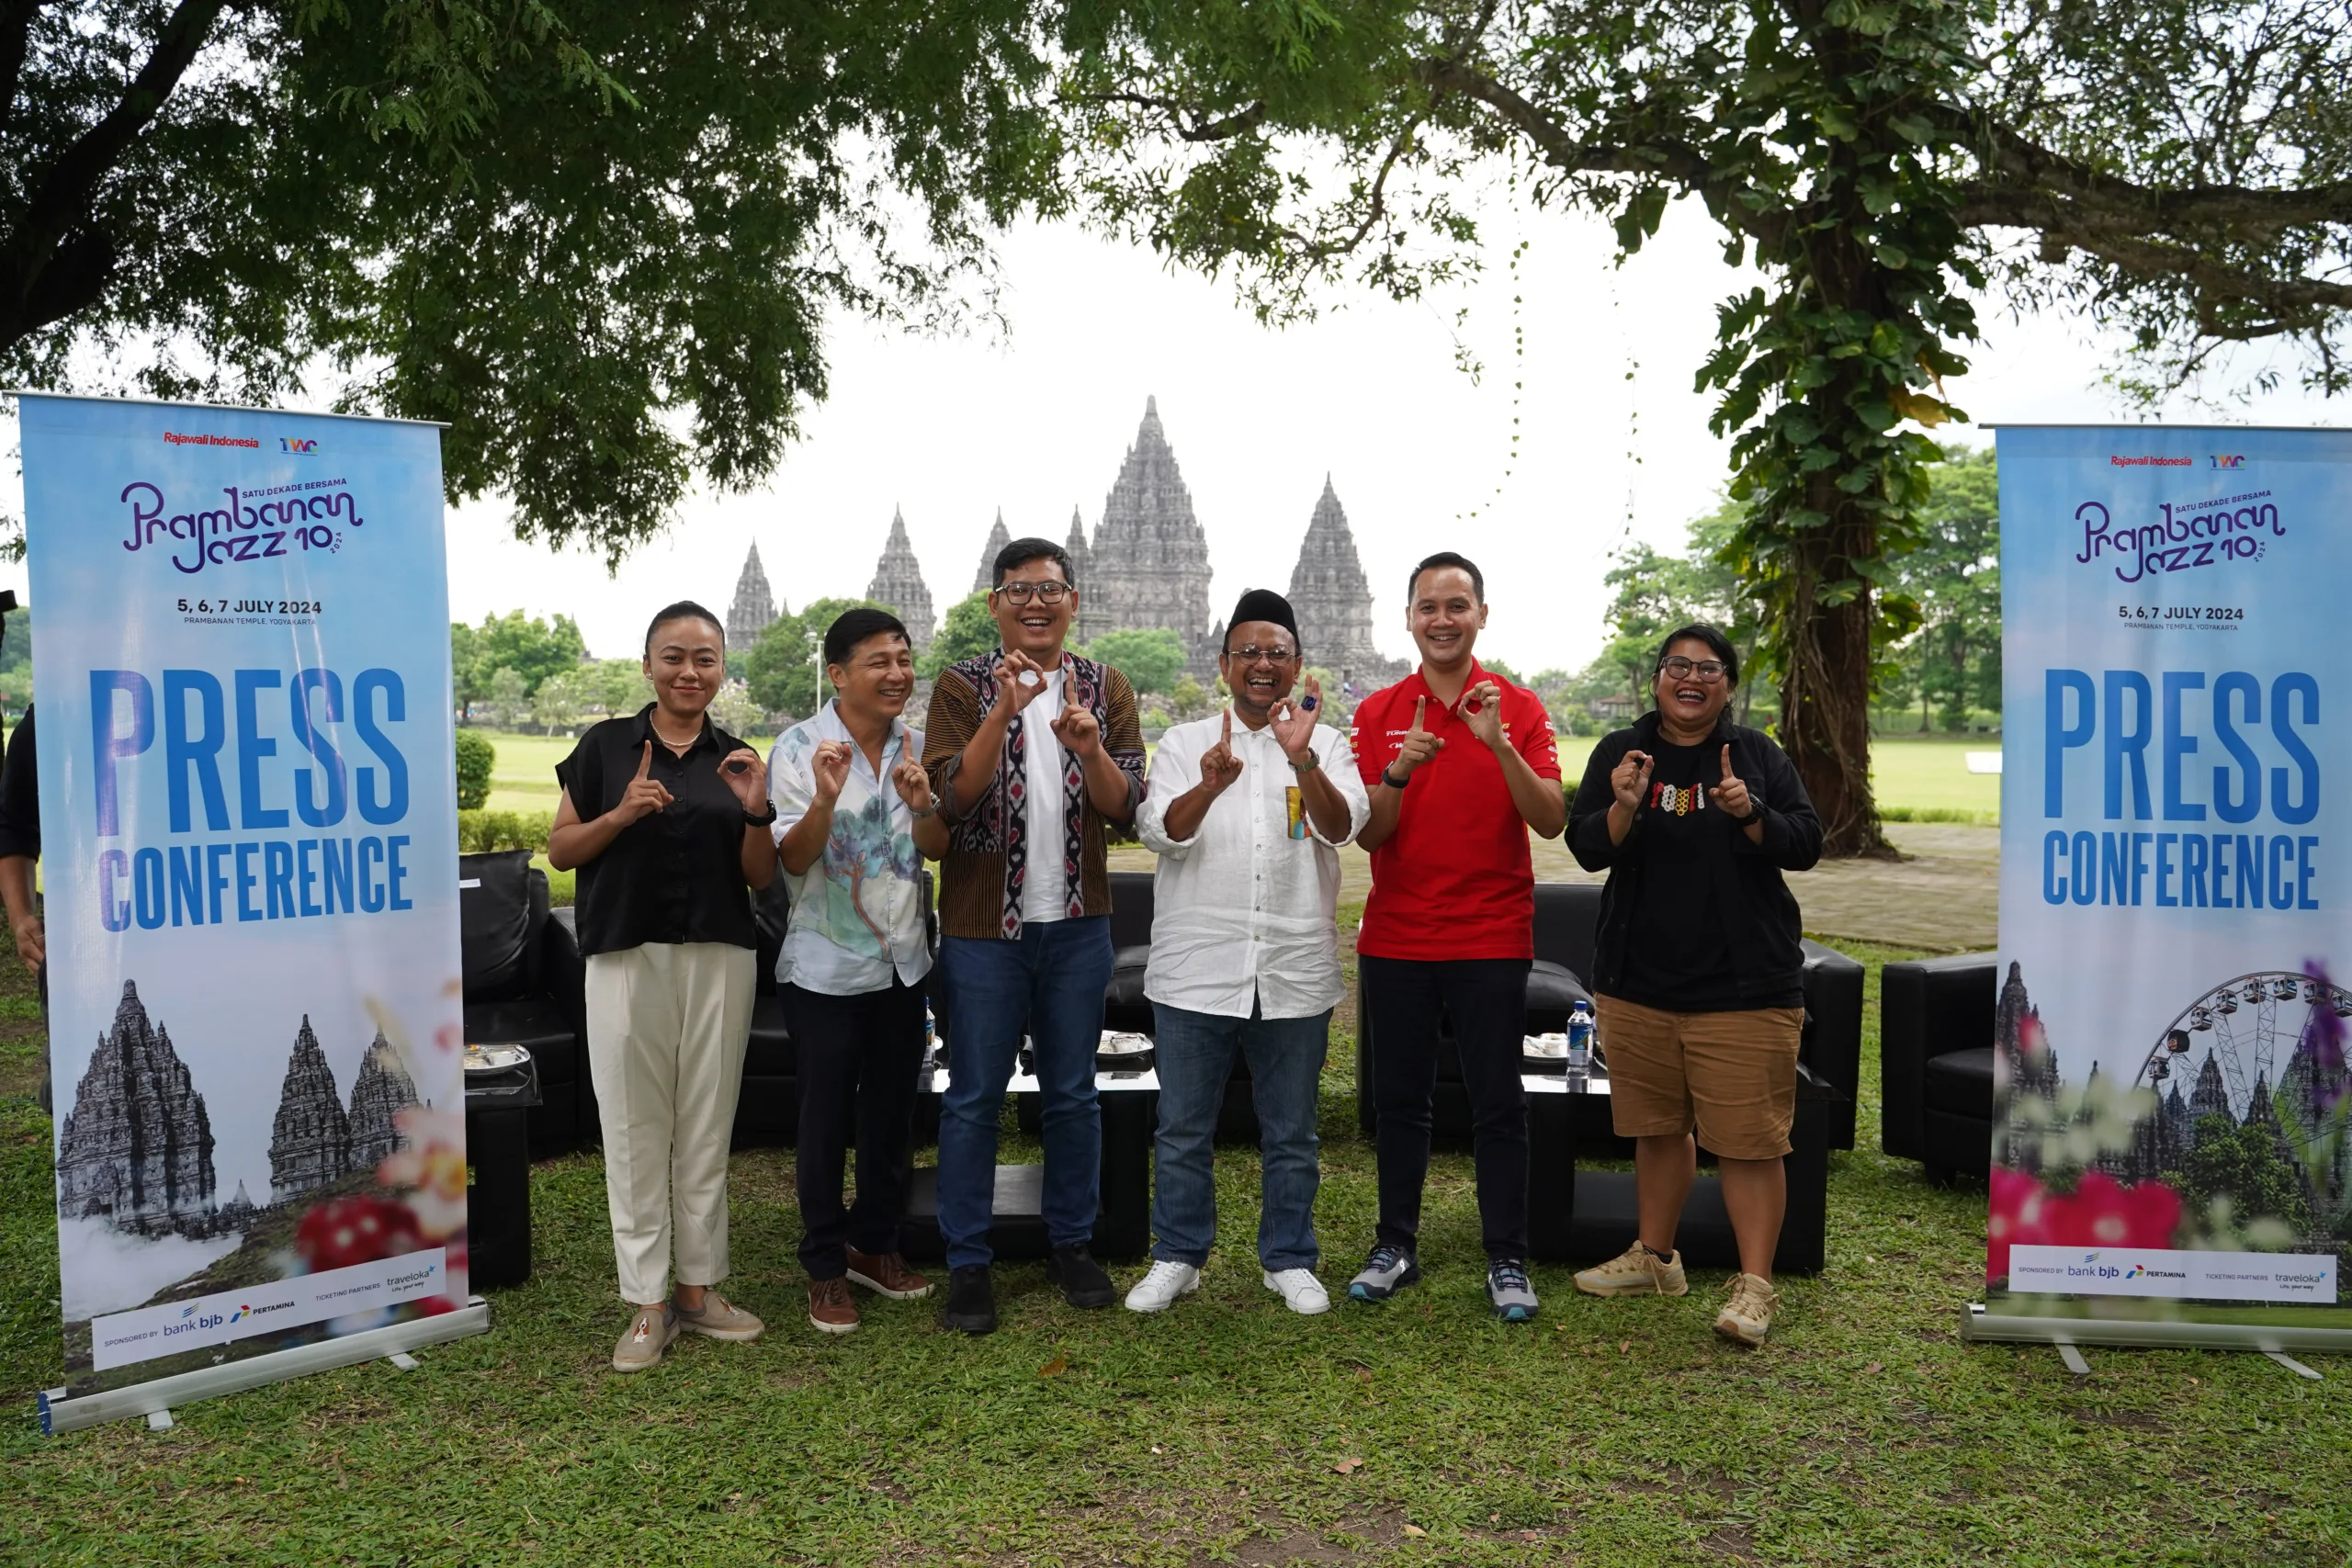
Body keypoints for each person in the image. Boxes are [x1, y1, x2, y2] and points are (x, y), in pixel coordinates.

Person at [1565, 624, 1821, 1345]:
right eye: (1677, 664)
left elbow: (1807, 842)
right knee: (1657, 1127)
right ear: (1657, 679)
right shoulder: (1621, 752)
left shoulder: (1758, 756)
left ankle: (1755, 1284)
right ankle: (1655, 1257)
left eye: (1708, 668)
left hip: (1744, 988)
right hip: (1638, 982)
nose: (1691, 677)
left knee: (1747, 1143)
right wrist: (1622, 804)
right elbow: (1584, 848)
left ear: (1728, 686)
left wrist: (1749, 811)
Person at [921, 536, 1147, 1335]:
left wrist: (1087, 748)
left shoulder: (1104, 684)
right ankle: (968, 1259)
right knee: (975, 1096)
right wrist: (1002, 714)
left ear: (1073, 602)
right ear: (996, 605)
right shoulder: (960, 686)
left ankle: (1071, 1241)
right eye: (1019, 591)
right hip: (986, 927)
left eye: (1050, 590)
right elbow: (949, 796)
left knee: (1072, 1093)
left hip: (1077, 923)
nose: (1037, 604)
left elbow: (1127, 806)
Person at [548, 601, 778, 1372]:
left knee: (707, 1125)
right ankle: (647, 1299)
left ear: (722, 669)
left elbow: (759, 876)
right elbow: (561, 850)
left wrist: (756, 812)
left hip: (719, 953)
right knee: (635, 1130)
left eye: (705, 658)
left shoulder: (738, 755)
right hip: (624, 954)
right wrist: (620, 814)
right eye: (673, 656)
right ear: (647, 664)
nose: (689, 671)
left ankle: (696, 1288)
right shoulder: (607, 746)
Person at [1126, 590, 1369, 1316]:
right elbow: (1160, 832)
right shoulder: (1184, 740)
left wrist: (1304, 764)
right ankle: (1178, 1254)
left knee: (1291, 1130)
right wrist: (1207, 784)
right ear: (1225, 661)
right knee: (1181, 1127)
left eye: (1278, 653)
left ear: (1297, 664)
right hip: (1198, 965)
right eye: (1249, 652)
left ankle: (1288, 1258)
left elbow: (1339, 828)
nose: (1263, 665)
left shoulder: (1326, 742)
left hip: (1292, 966)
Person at [1345, 552, 1566, 1322]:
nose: (1443, 619)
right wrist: (1398, 771)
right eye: (1428, 606)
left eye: (1457, 605)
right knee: (1400, 1101)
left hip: (1491, 932)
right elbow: (1369, 835)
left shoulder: (1519, 706)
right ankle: (1394, 1243)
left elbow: (1550, 818)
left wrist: (1497, 741)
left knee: (1497, 1099)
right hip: (1399, 933)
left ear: (1480, 614)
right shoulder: (1378, 712)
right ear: (1408, 618)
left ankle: (1506, 1254)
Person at [767, 608, 949, 1334]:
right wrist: (822, 796)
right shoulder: (799, 747)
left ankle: (875, 1245)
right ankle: (823, 1266)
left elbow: (934, 845)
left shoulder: (918, 743)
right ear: (838, 673)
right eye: (880, 661)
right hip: (824, 968)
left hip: (903, 961)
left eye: (904, 659)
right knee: (824, 1119)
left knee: (890, 1117)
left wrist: (924, 801)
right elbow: (791, 857)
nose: (898, 673)